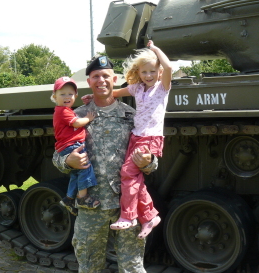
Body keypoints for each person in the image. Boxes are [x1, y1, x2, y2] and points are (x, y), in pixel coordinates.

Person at [52, 56, 158, 273]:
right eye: (95, 76)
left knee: (132, 267)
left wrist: (149, 162)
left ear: (115, 79)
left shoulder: (132, 116)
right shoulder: (77, 115)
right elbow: (57, 155)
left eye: (106, 76)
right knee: (90, 266)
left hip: (126, 207)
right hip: (92, 206)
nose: (101, 80)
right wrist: (67, 161)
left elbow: (150, 155)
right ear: (89, 82)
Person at [107, 39, 172, 239]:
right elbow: (115, 93)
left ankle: (128, 216)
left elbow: (169, 66)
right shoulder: (137, 88)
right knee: (135, 179)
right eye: (144, 72)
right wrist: (95, 98)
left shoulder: (162, 87)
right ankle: (149, 216)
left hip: (150, 137)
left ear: (159, 72)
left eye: (153, 71)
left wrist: (154, 49)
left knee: (127, 173)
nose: (149, 75)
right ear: (139, 73)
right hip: (136, 136)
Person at [51, 76, 99, 216]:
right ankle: (82, 198)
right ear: (55, 96)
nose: (67, 97)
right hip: (72, 145)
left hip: (69, 145)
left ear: (76, 95)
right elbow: (77, 123)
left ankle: (69, 198)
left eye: (70, 94)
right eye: (62, 94)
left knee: (76, 173)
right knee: (85, 168)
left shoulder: (66, 110)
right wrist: (88, 119)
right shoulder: (63, 111)